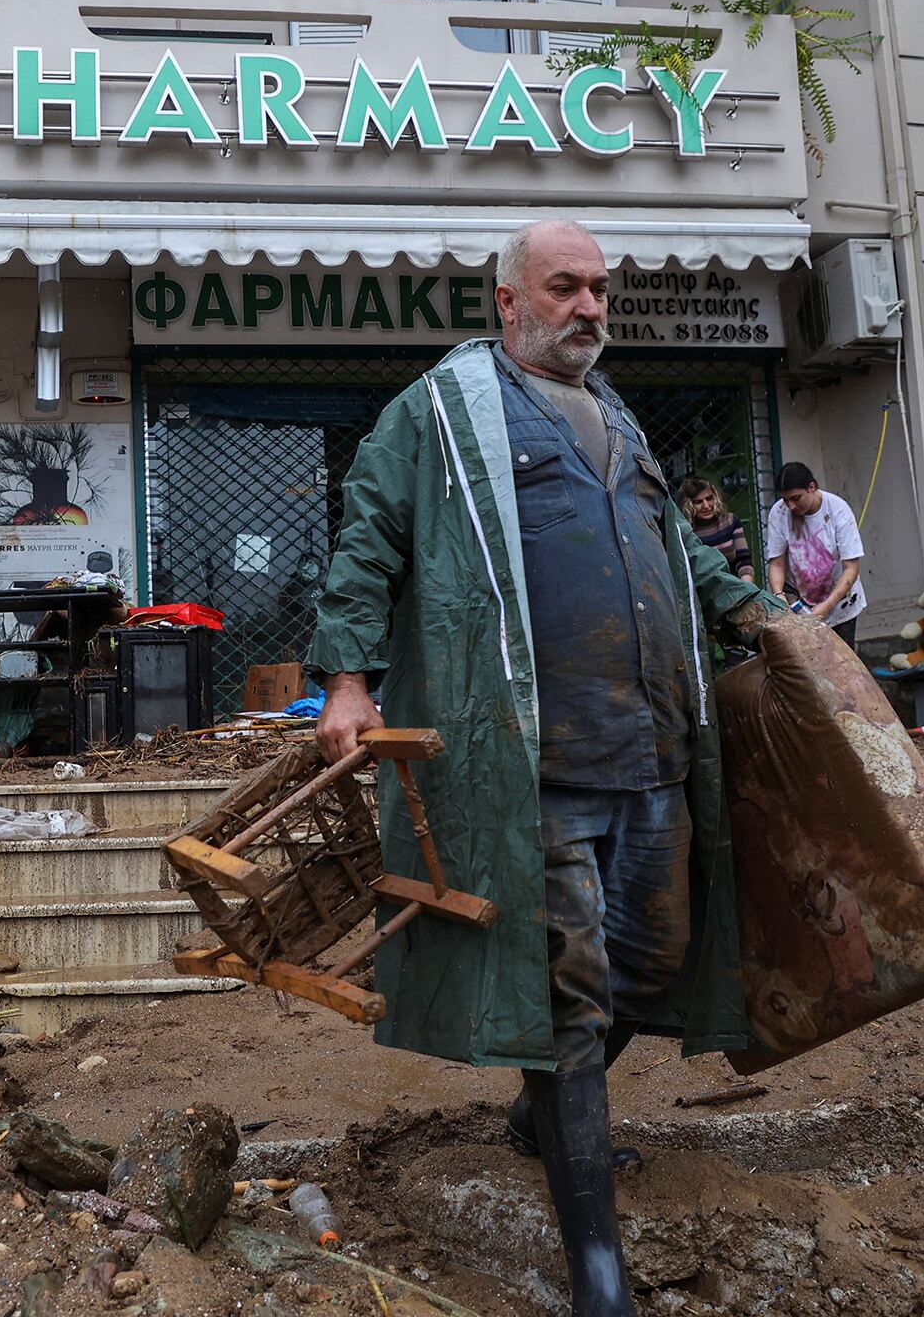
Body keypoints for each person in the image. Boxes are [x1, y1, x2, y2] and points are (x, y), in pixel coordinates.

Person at [308, 221, 798, 1317]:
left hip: (655, 753)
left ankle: (543, 1116)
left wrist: (768, 619)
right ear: (508, 303)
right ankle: (599, 1274)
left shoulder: (615, 413)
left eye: (599, 290)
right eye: (565, 288)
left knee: (653, 960)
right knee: (572, 994)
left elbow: (679, 559)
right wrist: (347, 676)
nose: (589, 308)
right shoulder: (440, 410)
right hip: (536, 764)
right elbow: (368, 537)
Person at [763, 462, 867, 647]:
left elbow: (851, 568)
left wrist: (826, 606)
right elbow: (777, 563)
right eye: (786, 500)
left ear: (812, 487)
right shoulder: (779, 513)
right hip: (798, 596)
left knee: (841, 661)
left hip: (839, 598)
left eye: (796, 498)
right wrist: (779, 595)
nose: (791, 506)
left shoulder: (838, 510)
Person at [677, 476, 755, 582]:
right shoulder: (684, 532)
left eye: (709, 498)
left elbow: (744, 561)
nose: (706, 506)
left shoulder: (730, 521)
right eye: (698, 502)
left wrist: (746, 587)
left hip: (735, 584)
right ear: (688, 505)